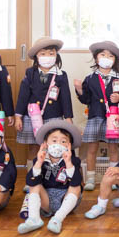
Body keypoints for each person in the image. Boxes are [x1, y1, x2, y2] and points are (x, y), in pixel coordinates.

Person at [75, 40, 119, 191]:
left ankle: (113, 178)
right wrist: (79, 90)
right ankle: (91, 178)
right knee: (92, 148)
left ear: (115, 60)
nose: (106, 58)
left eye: (110, 56)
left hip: (114, 117)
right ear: (96, 57)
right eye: (103, 54)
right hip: (95, 116)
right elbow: (85, 99)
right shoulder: (90, 78)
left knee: (113, 148)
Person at [14, 37, 73, 169]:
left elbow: (66, 97)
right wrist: (18, 116)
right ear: (36, 56)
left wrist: (68, 117)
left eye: (51, 53)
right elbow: (23, 96)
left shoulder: (61, 75)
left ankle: (50, 175)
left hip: (54, 116)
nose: (47, 57)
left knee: (53, 147)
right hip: (32, 117)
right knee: (33, 147)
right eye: (43, 53)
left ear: (56, 55)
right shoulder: (30, 73)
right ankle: (32, 174)